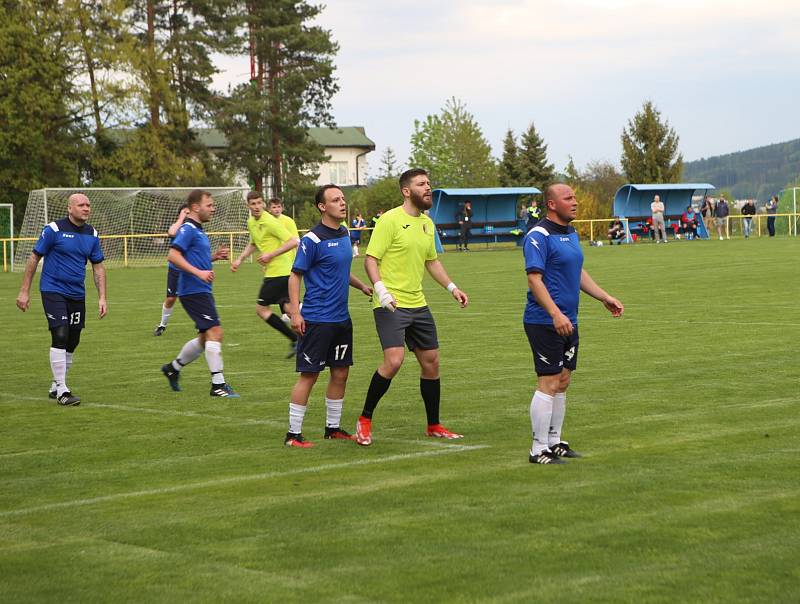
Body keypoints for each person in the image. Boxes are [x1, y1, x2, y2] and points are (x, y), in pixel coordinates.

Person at [354, 168, 469, 446]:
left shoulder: (427, 224)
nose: (428, 188)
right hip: (390, 304)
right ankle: (364, 420)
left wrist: (452, 288)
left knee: (432, 363)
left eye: (429, 183)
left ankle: (434, 425)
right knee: (393, 361)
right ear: (407, 191)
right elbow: (370, 259)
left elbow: (432, 261)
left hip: (418, 303)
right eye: (421, 184)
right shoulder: (389, 220)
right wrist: (381, 291)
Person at [523, 183, 624, 464]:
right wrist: (555, 314)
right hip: (545, 321)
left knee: (563, 380)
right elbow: (534, 279)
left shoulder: (570, 232)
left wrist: (604, 297)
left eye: (574, 197)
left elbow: (577, 272)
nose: (575, 202)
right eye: (568, 198)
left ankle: (555, 442)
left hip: (570, 319)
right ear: (552, 204)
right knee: (548, 381)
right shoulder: (538, 235)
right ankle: (537, 448)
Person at [283, 185, 373, 448]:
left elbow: (341, 271)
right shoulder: (312, 240)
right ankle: (293, 435)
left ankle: (332, 428)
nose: (342, 203)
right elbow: (295, 276)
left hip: (341, 319)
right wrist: (296, 313)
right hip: (317, 319)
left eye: (343, 199)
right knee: (309, 376)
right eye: (335, 200)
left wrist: (362, 286)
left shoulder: (345, 233)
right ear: (323, 207)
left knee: (341, 372)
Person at [16, 193, 107, 406]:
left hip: (77, 294)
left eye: (88, 205)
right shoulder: (53, 230)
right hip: (52, 289)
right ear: (70, 208)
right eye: (81, 205)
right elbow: (34, 258)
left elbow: (98, 267)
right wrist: (24, 291)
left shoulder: (92, 234)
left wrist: (102, 297)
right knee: (60, 332)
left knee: (72, 340)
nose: (86, 208)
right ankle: (62, 391)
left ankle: (55, 383)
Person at [160, 189, 239, 397]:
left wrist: (213, 257)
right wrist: (199, 273)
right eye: (209, 205)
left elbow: (192, 257)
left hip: (200, 289)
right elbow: (173, 256)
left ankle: (173, 368)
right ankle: (218, 385)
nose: (213, 208)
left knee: (206, 336)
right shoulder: (188, 229)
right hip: (193, 290)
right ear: (196, 207)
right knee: (216, 332)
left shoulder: (198, 230)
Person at [231, 193, 300, 357]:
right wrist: (239, 259)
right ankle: (309, 338)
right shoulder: (251, 222)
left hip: (279, 272)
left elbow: (293, 241)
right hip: (276, 272)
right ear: (248, 205)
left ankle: (296, 339)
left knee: (262, 309)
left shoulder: (270, 222)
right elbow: (254, 243)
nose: (256, 206)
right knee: (290, 309)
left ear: (263, 204)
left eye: (259, 203)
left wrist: (271, 255)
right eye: (253, 203)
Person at [153, 205, 190, 336]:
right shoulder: (177, 226)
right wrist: (181, 217)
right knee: (171, 299)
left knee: (194, 297)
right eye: (185, 211)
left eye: (188, 211)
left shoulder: (194, 228)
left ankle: (202, 325)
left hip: (190, 270)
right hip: (175, 270)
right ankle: (162, 325)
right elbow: (171, 233)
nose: (187, 213)